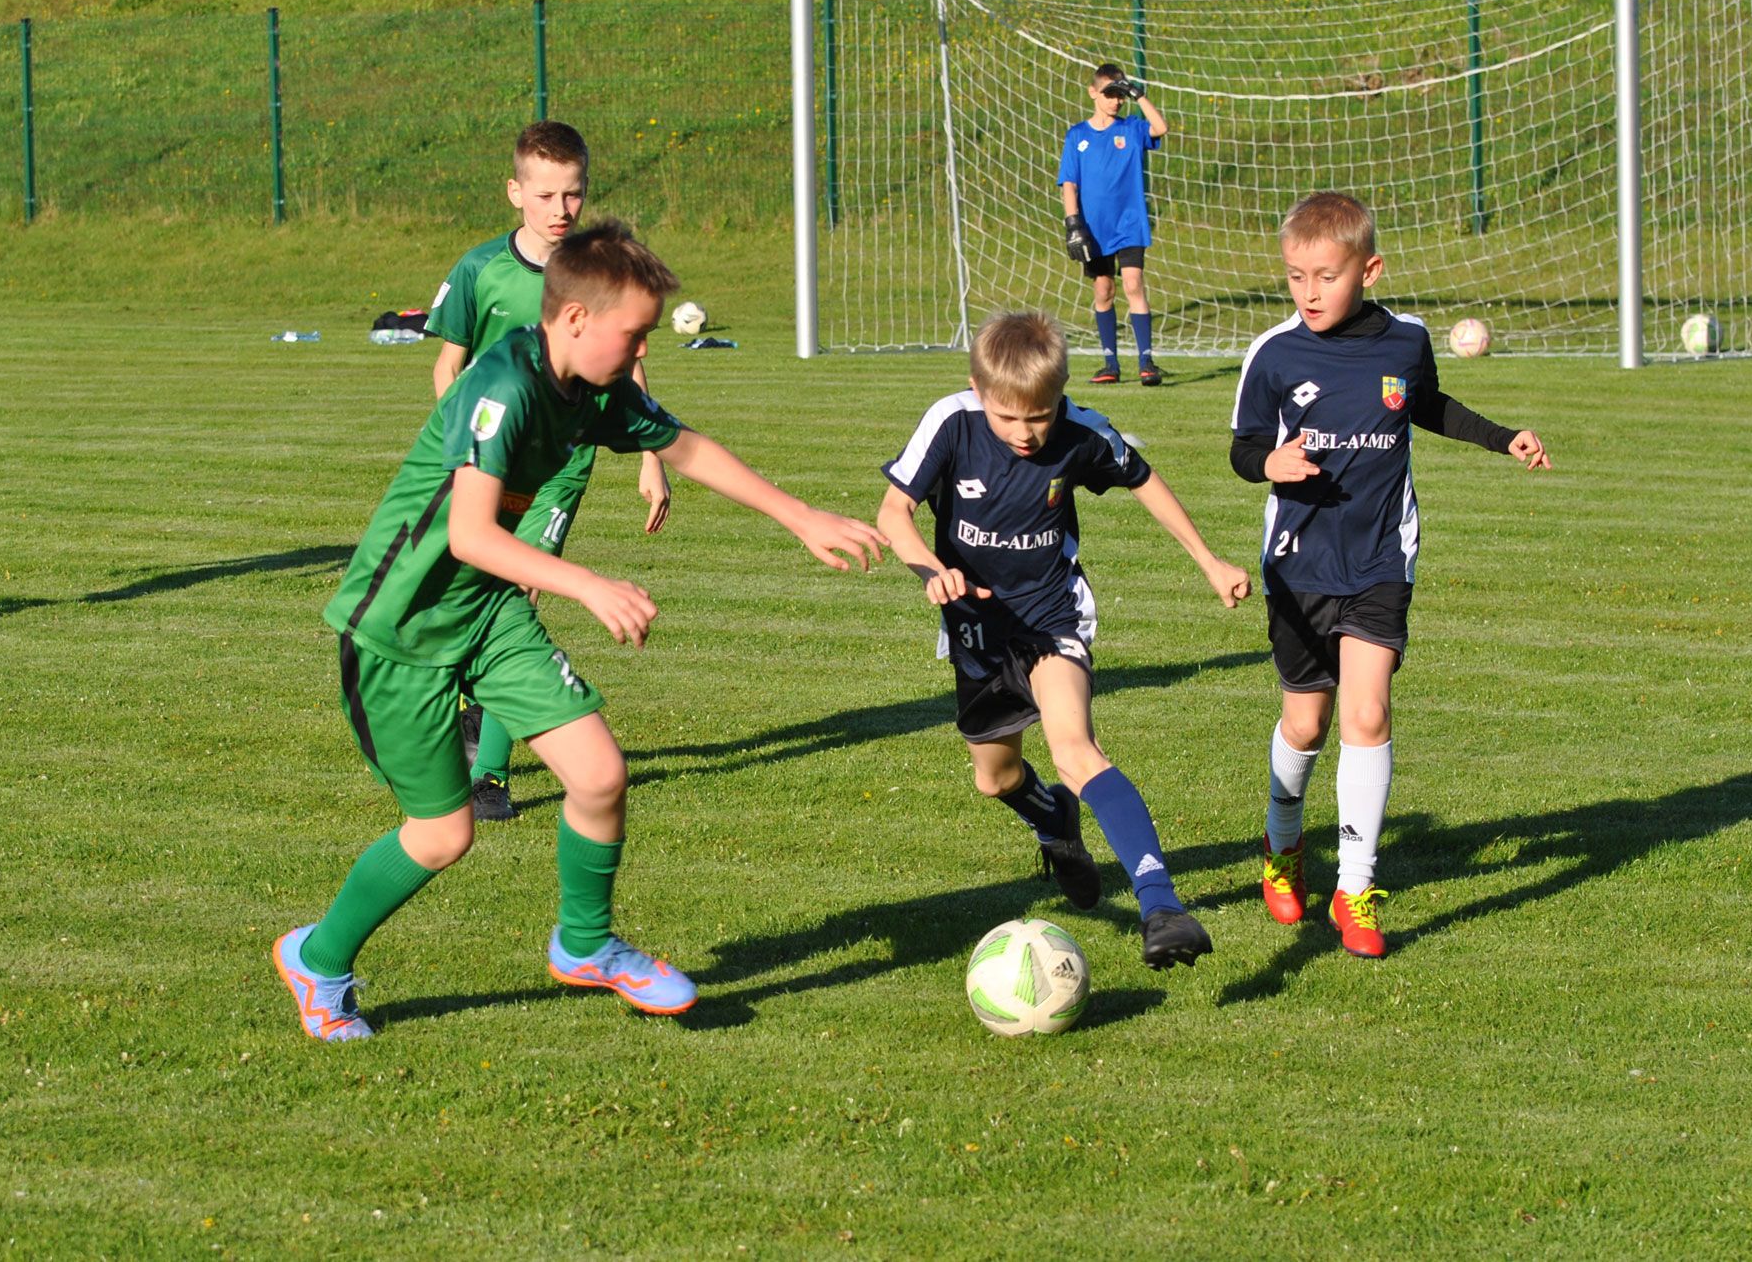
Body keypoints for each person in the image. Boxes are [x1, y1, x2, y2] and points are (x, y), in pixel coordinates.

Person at [275, 221, 887, 1040]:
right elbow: (470, 535)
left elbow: (688, 446)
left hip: (487, 613)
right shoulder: (503, 386)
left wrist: (799, 514)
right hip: (401, 631)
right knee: (443, 833)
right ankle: (319, 957)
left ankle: (587, 944)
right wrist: (588, 583)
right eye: (632, 333)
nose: (641, 351)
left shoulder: (594, 389)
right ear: (572, 320)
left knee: (598, 775)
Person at [1230, 191, 1552, 958]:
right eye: (1295, 276)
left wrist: (1502, 437)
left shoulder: (1404, 342)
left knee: (1366, 714)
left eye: (1326, 276)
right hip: (1299, 565)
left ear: (1368, 270)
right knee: (1305, 724)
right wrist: (1268, 463)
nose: (1308, 292)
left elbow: (1426, 405)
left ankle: (1355, 889)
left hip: (1380, 557)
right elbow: (1244, 447)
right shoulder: (1274, 353)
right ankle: (1281, 846)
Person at [876, 311, 1250, 969]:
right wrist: (932, 572)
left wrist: (1210, 560)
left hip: (1054, 616)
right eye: (1008, 417)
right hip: (978, 630)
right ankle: (1051, 819)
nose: (1025, 433)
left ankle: (1160, 906)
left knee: (1075, 749)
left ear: (1062, 394)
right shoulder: (952, 422)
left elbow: (1144, 480)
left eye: (1039, 417)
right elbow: (892, 513)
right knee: (994, 778)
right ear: (977, 389)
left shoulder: (1082, 431)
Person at [426, 120, 671, 822]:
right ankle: (473, 705)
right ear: (516, 193)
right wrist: (461, 457)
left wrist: (652, 458)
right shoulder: (480, 270)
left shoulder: (599, 271)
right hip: (488, 462)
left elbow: (627, 363)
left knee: (523, 589)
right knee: (475, 591)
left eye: (574, 194)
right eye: (546, 195)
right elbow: (448, 366)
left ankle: (490, 774)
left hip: (559, 470)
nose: (562, 209)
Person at [1059, 63, 1169, 387]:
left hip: (1130, 224)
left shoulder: (1132, 129)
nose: (1115, 101)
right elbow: (1069, 184)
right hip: (1095, 229)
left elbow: (1160, 127)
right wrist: (1073, 224)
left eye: (1120, 95)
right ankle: (1110, 363)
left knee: (1133, 284)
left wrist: (1140, 95)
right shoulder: (1077, 135)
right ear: (1093, 93)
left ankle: (1146, 362)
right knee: (1104, 290)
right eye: (1109, 94)